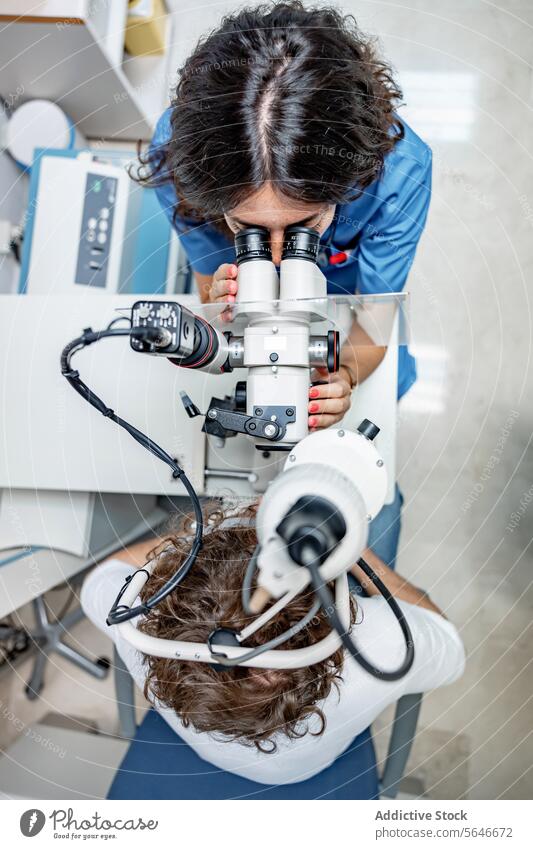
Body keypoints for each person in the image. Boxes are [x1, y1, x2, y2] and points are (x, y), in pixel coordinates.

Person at [135, 1, 432, 569]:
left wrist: (342, 376)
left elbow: (373, 321)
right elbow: (206, 286)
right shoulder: (181, 156)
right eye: (249, 230)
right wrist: (220, 308)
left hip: (346, 303)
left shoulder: (399, 172)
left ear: (348, 184)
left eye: (301, 229)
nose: (273, 258)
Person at [81, 505, 464, 786]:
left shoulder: (133, 620)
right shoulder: (381, 643)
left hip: (202, 751)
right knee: (385, 506)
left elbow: (102, 574)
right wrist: (356, 553)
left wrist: (207, 524)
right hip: (307, 772)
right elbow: (448, 642)